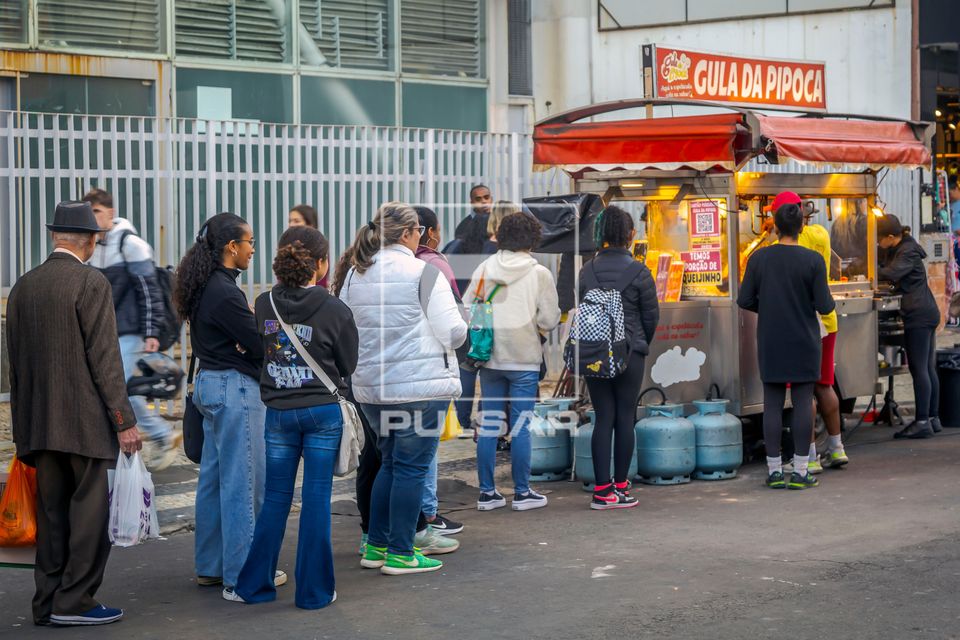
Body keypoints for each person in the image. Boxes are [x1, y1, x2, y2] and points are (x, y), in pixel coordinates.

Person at [7, 201, 142, 627]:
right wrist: (124, 420)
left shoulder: (24, 286)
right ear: (88, 240)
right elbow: (105, 359)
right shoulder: (90, 282)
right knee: (88, 515)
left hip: (39, 423)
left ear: (55, 237)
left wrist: (22, 426)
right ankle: (76, 601)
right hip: (83, 422)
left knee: (52, 516)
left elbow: (16, 363)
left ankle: (46, 601)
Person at [226, 227, 358, 609]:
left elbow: (260, 349)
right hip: (322, 412)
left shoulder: (264, 303)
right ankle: (314, 593)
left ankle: (254, 586)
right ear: (320, 264)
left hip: (279, 413)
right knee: (316, 500)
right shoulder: (335, 309)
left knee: (276, 501)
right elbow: (348, 364)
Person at [339, 202, 467, 575]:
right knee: (410, 469)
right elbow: (453, 333)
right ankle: (400, 552)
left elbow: (347, 328)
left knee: (390, 466)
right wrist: (465, 321)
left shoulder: (354, 275)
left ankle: (377, 545)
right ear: (412, 234)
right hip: (420, 390)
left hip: (372, 389)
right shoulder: (424, 273)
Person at [173, 212, 284, 598]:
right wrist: (254, 331)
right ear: (231, 247)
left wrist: (248, 333)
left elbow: (246, 338)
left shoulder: (206, 284)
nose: (254, 249)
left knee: (214, 481)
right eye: (249, 242)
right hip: (234, 390)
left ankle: (212, 566)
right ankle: (242, 576)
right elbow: (259, 345)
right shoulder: (225, 291)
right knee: (244, 483)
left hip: (209, 384)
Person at [738, 203, 835, 490]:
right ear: (802, 226)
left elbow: (744, 300)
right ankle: (802, 471)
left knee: (772, 403)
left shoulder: (759, 259)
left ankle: (774, 471)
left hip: (771, 339)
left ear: (775, 226)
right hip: (805, 340)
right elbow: (825, 304)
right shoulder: (813, 261)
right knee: (804, 402)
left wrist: (767, 308)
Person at [468, 211, 561, 511]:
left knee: (490, 425)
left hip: (491, 359)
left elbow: (470, 308)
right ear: (533, 239)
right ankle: (522, 493)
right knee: (521, 426)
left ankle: (487, 494)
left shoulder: (485, 267)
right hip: (524, 361)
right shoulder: (539, 273)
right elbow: (549, 318)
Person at [83, 188, 180, 471]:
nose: (92, 217)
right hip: (107, 331)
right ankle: (133, 445)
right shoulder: (93, 246)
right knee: (122, 390)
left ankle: (161, 434)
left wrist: (151, 333)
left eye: (96, 212)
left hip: (131, 331)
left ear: (110, 213)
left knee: (121, 389)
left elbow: (149, 292)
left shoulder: (131, 243)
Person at [578, 206, 658, 510]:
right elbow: (651, 318)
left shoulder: (587, 270)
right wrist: (638, 344)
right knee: (626, 416)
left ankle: (601, 490)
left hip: (595, 352)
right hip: (630, 352)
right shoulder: (640, 271)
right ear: (630, 235)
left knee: (603, 417)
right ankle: (622, 487)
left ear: (601, 235)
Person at [766, 192, 849, 472]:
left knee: (803, 394)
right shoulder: (821, 235)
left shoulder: (789, 243)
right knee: (824, 385)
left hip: (800, 322)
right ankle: (837, 449)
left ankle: (809, 456)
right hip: (827, 321)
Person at [413, 205, 465, 535]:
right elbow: (454, 320)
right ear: (430, 232)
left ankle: (413, 517)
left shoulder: (383, 265)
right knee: (427, 445)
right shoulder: (434, 263)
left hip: (393, 372)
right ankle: (428, 515)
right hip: (431, 366)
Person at [877, 214, 943, 438]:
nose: (877, 244)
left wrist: (869, 270)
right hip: (925, 311)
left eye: (879, 239)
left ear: (889, 236)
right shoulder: (903, 247)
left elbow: (892, 272)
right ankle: (933, 418)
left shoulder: (907, 250)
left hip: (919, 314)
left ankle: (922, 421)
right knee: (927, 367)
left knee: (919, 368)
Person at [288, 204, 328, 289]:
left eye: (296, 221)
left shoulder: (319, 247)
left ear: (310, 224)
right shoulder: (286, 247)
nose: (291, 225)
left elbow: (320, 281)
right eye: (290, 221)